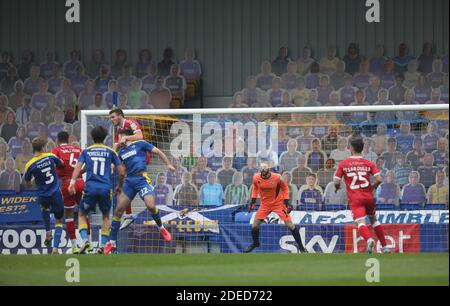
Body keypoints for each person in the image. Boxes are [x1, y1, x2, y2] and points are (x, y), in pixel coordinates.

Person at [104, 129, 175, 254]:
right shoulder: (121, 152)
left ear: (126, 136)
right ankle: (112, 242)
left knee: (151, 206)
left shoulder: (140, 144)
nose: (118, 139)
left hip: (142, 179)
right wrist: (115, 150)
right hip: (129, 181)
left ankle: (161, 228)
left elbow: (157, 151)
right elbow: (114, 166)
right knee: (118, 210)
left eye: (119, 137)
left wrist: (168, 164)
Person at [69, 126, 124, 254]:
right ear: (105, 137)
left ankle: (85, 240)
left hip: (90, 188)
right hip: (105, 189)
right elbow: (121, 172)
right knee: (105, 217)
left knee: (82, 214)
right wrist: (119, 186)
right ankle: (102, 246)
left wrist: (72, 182)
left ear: (92, 137)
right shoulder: (111, 152)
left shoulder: (86, 151)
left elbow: (78, 168)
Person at [334, 136, 389, 253]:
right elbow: (379, 179)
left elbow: (336, 181)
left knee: (360, 222)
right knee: (374, 220)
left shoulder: (344, 164)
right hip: (368, 197)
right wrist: (373, 187)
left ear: (351, 148)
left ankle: (369, 239)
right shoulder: (368, 163)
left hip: (355, 198)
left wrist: (337, 187)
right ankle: (385, 247)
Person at [244, 160, 306, 253]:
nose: (263, 174)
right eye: (261, 171)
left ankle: (301, 248)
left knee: (290, 225)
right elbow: (255, 188)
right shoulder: (256, 177)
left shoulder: (277, 177)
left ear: (269, 170)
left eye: (265, 171)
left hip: (278, 204)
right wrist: (252, 202)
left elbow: (285, 188)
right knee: (254, 226)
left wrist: (286, 203)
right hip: (265, 205)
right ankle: (256, 243)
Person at [23, 138, 65, 254]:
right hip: (55, 193)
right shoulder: (50, 156)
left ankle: (47, 231)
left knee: (45, 211)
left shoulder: (30, 165)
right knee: (58, 220)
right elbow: (61, 164)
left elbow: (28, 184)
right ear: (43, 148)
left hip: (43, 196)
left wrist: (34, 178)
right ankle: (56, 248)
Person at [109, 108, 145, 226]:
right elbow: (116, 146)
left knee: (129, 181)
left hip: (138, 154)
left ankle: (129, 214)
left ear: (119, 115)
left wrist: (126, 138)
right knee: (123, 178)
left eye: (113, 117)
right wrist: (112, 163)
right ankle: (128, 215)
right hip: (128, 156)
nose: (111, 120)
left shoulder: (131, 123)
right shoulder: (119, 130)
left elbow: (140, 136)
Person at [52, 131, 85, 254]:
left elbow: (53, 164)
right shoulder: (77, 149)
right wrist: (81, 172)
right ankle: (88, 242)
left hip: (67, 183)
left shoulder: (56, 150)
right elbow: (88, 161)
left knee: (69, 215)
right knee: (83, 213)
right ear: (69, 139)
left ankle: (75, 245)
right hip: (81, 182)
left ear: (58, 140)